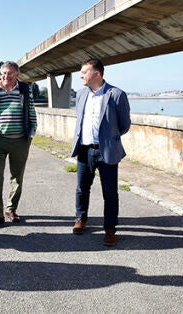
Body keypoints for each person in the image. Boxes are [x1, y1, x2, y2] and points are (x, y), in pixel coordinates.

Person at [70, 58, 131, 246]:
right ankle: (81, 219)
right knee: (82, 188)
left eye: (84, 72)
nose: (81, 75)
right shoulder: (81, 94)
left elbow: (124, 125)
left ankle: (110, 230)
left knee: (110, 192)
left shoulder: (116, 94)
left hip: (107, 151)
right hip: (84, 149)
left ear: (96, 74)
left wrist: (108, 139)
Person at [0, 61, 37, 228]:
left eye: (10, 73)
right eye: (4, 73)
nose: (6, 76)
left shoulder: (25, 89)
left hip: (20, 140)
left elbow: (31, 110)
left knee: (17, 177)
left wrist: (32, 132)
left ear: (17, 74)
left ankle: (10, 209)